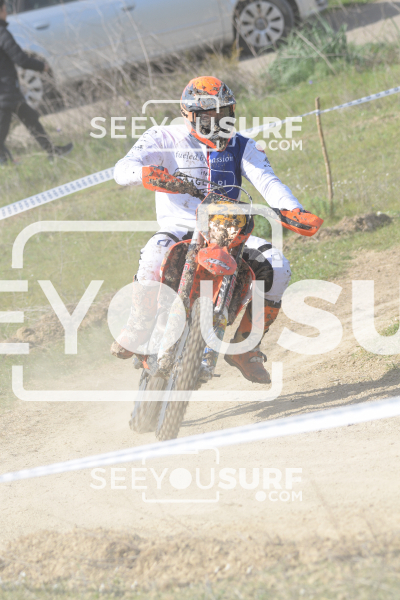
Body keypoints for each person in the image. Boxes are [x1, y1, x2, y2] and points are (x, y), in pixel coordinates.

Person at [111, 76, 305, 385]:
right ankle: (137, 326)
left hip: (227, 232)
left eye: (221, 113)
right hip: (179, 228)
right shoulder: (163, 137)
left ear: (232, 111)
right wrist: (145, 173)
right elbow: (122, 168)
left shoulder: (243, 145)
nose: (215, 122)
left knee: (279, 266)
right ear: (187, 114)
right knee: (152, 254)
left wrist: (293, 209)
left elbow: (267, 180)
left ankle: (247, 347)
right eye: (206, 115)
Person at [0, 0, 73, 164]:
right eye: (5, 8)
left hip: (7, 93)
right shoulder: (2, 33)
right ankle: (5, 163)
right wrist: (42, 66)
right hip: (5, 94)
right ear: (2, 10)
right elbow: (21, 59)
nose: (7, 12)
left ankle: (53, 152)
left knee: (31, 120)